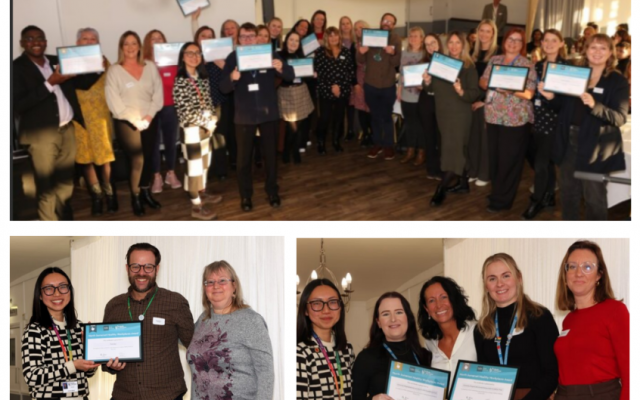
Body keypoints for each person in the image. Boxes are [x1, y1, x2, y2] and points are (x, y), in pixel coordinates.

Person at [13, 25, 100, 221]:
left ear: (45, 42)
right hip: (40, 136)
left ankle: (65, 221)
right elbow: (18, 105)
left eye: (39, 38)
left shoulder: (57, 60)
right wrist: (50, 82)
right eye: (30, 39)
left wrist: (95, 68)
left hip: (67, 130)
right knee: (46, 186)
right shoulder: (14, 68)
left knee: (65, 183)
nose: (35, 42)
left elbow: (81, 84)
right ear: (22, 43)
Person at [541, 34, 629, 220]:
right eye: (593, 47)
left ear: (610, 53)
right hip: (567, 141)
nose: (597, 52)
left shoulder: (617, 81)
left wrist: (595, 105)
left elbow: (620, 118)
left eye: (603, 48)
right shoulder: (575, 73)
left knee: (594, 199)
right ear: (585, 50)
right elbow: (562, 107)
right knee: (568, 194)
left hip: (596, 147)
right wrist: (551, 97)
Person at [102, 242, 194, 400]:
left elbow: (195, 346)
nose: (141, 273)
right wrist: (110, 365)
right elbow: (106, 355)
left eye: (148, 267)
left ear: (157, 269)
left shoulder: (175, 302)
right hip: (124, 396)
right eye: (135, 266)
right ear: (127, 268)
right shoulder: (113, 306)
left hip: (167, 396)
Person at [220, 22, 295, 212]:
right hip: (244, 116)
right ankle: (245, 195)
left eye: (251, 36)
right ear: (238, 39)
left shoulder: (269, 54)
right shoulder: (232, 57)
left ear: (257, 37)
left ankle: (272, 191)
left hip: (268, 113)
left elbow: (290, 75)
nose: (247, 40)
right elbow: (223, 87)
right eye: (243, 37)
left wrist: (281, 67)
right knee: (244, 159)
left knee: (271, 156)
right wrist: (231, 78)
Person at [474, 253, 558, 400]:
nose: (499, 284)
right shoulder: (482, 328)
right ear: (486, 286)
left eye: (506, 276)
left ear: (519, 278)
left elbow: (552, 373)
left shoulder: (539, 316)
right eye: (492, 278)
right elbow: (484, 379)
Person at [554, 240, 629, 400]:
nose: (578, 273)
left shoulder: (615, 311)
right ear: (565, 275)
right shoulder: (569, 320)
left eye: (587, 267)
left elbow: (631, 371)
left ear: (599, 275)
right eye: (572, 266)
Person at [188, 260, 274, 399]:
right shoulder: (203, 319)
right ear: (205, 289)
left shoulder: (251, 320)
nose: (215, 286)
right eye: (210, 282)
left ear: (234, 286)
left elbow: (265, 373)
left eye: (222, 280)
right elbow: (185, 338)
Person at [105, 31, 164, 216]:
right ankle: (136, 197)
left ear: (139, 46)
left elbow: (158, 93)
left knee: (149, 157)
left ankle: (145, 192)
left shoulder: (150, 66)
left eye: (134, 43)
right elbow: (113, 101)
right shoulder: (114, 70)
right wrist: (134, 120)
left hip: (150, 119)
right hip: (126, 122)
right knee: (138, 159)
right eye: (126, 44)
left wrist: (148, 117)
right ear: (121, 47)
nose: (130, 47)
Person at [480, 28, 537, 213]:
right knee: (495, 158)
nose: (513, 43)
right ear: (504, 41)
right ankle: (497, 192)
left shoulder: (527, 64)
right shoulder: (495, 60)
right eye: (510, 39)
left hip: (515, 120)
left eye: (518, 40)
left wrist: (510, 89)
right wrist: (491, 83)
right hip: (493, 116)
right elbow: (482, 81)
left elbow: (529, 94)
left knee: (509, 161)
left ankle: (503, 200)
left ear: (522, 45)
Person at [22, 267, 99, 398]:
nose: (57, 294)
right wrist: (73, 365)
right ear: (40, 295)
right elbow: (31, 376)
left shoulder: (79, 327)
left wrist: (91, 355)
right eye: (49, 288)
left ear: (70, 291)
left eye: (62, 287)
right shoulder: (35, 330)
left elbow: (88, 374)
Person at [423, 31, 480, 207]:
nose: (454, 46)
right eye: (451, 42)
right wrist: (427, 81)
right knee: (458, 150)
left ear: (464, 46)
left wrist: (461, 91)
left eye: (458, 43)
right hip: (443, 115)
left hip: (459, 116)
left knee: (453, 153)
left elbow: (474, 93)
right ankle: (463, 184)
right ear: (447, 45)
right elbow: (431, 89)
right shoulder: (441, 64)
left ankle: (441, 188)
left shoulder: (469, 68)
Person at [173, 42, 223, 220]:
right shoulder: (180, 81)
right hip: (192, 131)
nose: (194, 56)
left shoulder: (201, 77)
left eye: (197, 53)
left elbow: (208, 102)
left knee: (204, 165)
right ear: (182, 56)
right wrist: (207, 123)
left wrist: (213, 118)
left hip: (205, 129)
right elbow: (186, 112)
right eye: (190, 53)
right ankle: (196, 206)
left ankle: (201, 192)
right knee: (194, 170)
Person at [522, 29, 567, 220]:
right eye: (546, 40)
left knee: (541, 164)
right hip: (537, 120)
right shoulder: (537, 66)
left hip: (556, 123)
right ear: (541, 44)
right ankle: (549, 196)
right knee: (544, 162)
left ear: (561, 43)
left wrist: (552, 97)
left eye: (554, 40)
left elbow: (567, 101)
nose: (549, 43)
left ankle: (537, 200)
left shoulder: (566, 68)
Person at [352, 292, 432, 399]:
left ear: (408, 318)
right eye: (385, 314)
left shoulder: (425, 355)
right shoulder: (366, 358)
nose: (393, 319)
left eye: (399, 312)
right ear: (379, 322)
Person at [73, 27, 117, 216]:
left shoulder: (105, 62)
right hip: (79, 118)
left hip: (101, 118)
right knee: (86, 159)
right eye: (85, 38)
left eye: (93, 39)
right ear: (77, 43)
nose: (89, 42)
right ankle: (96, 196)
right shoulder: (69, 62)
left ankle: (110, 194)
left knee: (105, 158)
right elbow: (77, 85)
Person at [297, 279, 354, 400]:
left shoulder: (347, 349)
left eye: (332, 302)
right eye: (317, 303)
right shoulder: (300, 352)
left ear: (340, 307)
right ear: (306, 310)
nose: (326, 310)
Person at [418, 276, 477, 390]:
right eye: (431, 300)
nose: (439, 305)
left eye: (443, 297)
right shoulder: (429, 343)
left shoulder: (476, 332)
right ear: (426, 309)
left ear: (453, 299)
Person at [358, 13, 402, 161]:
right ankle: (377, 143)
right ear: (381, 21)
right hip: (371, 84)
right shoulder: (370, 35)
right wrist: (361, 52)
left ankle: (388, 145)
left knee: (387, 116)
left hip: (388, 85)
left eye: (391, 22)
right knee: (375, 116)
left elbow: (396, 63)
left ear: (393, 25)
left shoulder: (396, 39)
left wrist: (393, 52)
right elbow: (360, 60)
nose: (387, 23)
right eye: (385, 20)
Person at [143, 30, 182, 194]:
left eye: (160, 38)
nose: (157, 41)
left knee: (170, 141)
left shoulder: (173, 61)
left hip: (170, 106)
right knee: (153, 144)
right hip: (151, 108)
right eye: (153, 38)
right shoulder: (143, 62)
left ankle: (171, 173)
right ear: (148, 42)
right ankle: (157, 176)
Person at [314, 27, 355, 154]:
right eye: (330, 36)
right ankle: (321, 142)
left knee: (339, 117)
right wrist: (332, 87)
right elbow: (318, 73)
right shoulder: (320, 52)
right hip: (326, 90)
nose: (333, 38)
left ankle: (336, 141)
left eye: (335, 35)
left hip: (342, 91)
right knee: (324, 118)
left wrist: (340, 87)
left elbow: (350, 72)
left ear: (339, 36)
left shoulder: (346, 52)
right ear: (326, 37)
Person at [469, 19, 499, 187]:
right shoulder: (472, 52)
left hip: (487, 100)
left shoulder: (498, 53)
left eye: (488, 31)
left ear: (493, 34)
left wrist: (485, 102)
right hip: (472, 98)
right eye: (482, 30)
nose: (484, 34)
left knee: (485, 139)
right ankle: (473, 170)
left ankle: (484, 173)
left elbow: (498, 83)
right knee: (473, 137)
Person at [278, 30, 315, 164]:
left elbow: (306, 75)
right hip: (286, 93)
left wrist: (312, 73)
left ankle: (293, 150)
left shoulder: (302, 55)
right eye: (291, 40)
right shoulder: (279, 56)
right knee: (292, 127)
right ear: (286, 41)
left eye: (297, 41)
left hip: (301, 90)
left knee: (299, 126)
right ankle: (289, 150)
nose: (294, 43)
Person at [398, 27, 426, 166]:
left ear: (422, 38)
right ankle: (410, 150)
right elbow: (401, 74)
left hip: (421, 95)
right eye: (411, 35)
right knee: (409, 124)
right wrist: (399, 90)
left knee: (420, 125)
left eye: (416, 36)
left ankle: (421, 152)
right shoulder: (404, 53)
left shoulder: (426, 54)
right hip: (406, 94)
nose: (413, 38)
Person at [418, 33, 444, 178]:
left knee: (441, 137)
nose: (430, 46)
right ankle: (431, 168)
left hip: (441, 102)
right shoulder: (422, 62)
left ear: (439, 43)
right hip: (426, 101)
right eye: (427, 44)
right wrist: (421, 83)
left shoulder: (446, 61)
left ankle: (442, 168)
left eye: (433, 42)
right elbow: (420, 84)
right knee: (429, 136)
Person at [351, 20, 372, 148]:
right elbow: (351, 66)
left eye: (361, 27)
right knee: (361, 108)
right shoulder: (354, 46)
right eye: (356, 29)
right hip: (359, 79)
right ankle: (366, 134)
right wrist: (355, 83)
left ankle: (373, 134)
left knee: (371, 108)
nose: (359, 30)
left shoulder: (374, 44)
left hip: (372, 78)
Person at [339, 15, 357, 142]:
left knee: (351, 105)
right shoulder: (336, 40)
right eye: (343, 23)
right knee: (341, 105)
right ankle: (340, 131)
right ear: (340, 26)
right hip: (340, 77)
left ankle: (351, 130)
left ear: (351, 25)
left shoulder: (356, 41)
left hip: (354, 76)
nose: (345, 26)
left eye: (347, 23)